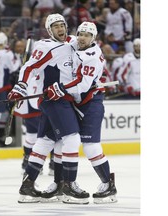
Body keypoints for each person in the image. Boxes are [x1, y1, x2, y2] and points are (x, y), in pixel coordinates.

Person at [7, 13, 89, 204]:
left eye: (62, 25)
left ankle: (28, 186)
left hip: (62, 100)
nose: (60, 29)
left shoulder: (73, 43)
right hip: (54, 100)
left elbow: (90, 51)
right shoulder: (45, 46)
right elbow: (29, 67)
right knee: (71, 138)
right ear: (49, 30)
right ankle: (69, 185)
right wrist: (20, 87)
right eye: (56, 26)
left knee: (45, 141)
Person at [41, 21, 117, 204]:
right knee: (63, 142)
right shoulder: (75, 43)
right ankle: (61, 184)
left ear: (94, 38)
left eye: (87, 35)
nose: (82, 38)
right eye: (80, 33)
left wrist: (59, 88)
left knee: (91, 147)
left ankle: (109, 185)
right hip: (77, 101)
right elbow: (64, 43)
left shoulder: (92, 55)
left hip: (91, 103)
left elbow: (82, 85)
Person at [0, 32, 20, 147]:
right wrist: (18, 57)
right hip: (0, 87)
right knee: (1, 113)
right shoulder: (7, 54)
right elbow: (14, 67)